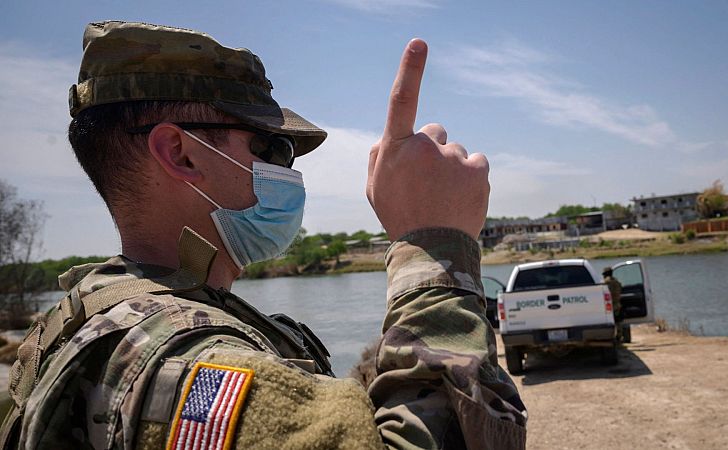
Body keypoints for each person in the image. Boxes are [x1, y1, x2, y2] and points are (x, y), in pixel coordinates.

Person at [0, 21, 526, 449]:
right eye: (271, 149)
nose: (289, 172)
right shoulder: (186, 363)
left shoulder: (84, 316)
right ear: (181, 154)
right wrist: (435, 245)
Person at [603, 266, 624, 342]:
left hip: (609, 305)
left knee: (609, 322)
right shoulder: (617, 281)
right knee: (618, 322)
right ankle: (619, 337)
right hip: (617, 304)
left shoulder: (606, 282)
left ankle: (611, 337)